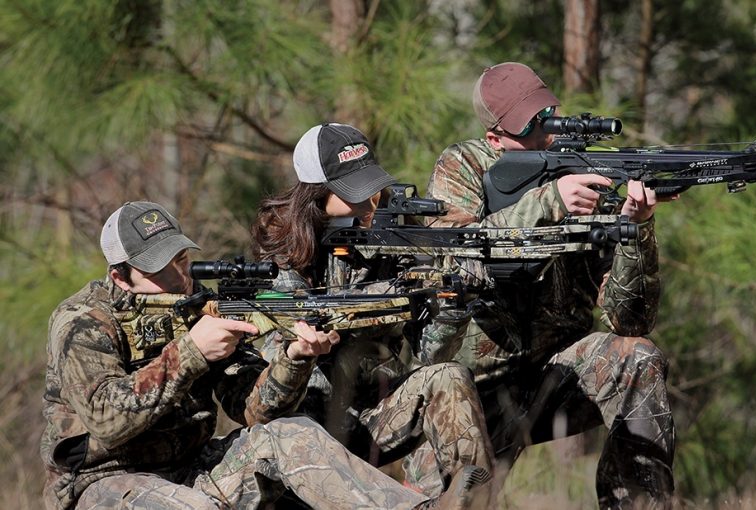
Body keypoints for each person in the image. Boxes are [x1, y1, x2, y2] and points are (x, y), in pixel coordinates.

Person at [41, 200, 484, 510]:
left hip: (193, 467)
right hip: (104, 485)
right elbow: (106, 419)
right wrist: (191, 352)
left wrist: (294, 357)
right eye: (159, 269)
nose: (179, 277)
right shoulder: (82, 322)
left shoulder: (199, 306)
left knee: (289, 433)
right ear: (120, 276)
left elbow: (254, 410)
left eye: (179, 258)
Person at [407, 62, 676, 509]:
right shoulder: (464, 166)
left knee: (638, 357)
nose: (545, 131)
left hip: (558, 377)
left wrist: (635, 228)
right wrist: (549, 202)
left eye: (547, 113)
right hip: (474, 394)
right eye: (529, 125)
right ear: (495, 139)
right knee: (457, 502)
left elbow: (630, 320)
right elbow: (457, 253)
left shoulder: (584, 171)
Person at [250, 123, 495, 503]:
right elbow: (268, 403)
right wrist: (300, 352)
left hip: (377, 415)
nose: (371, 203)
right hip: (307, 433)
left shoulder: (392, 239)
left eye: (372, 187)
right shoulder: (281, 258)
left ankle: (471, 499)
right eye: (354, 193)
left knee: (448, 376)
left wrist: (452, 304)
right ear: (315, 195)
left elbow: (431, 355)